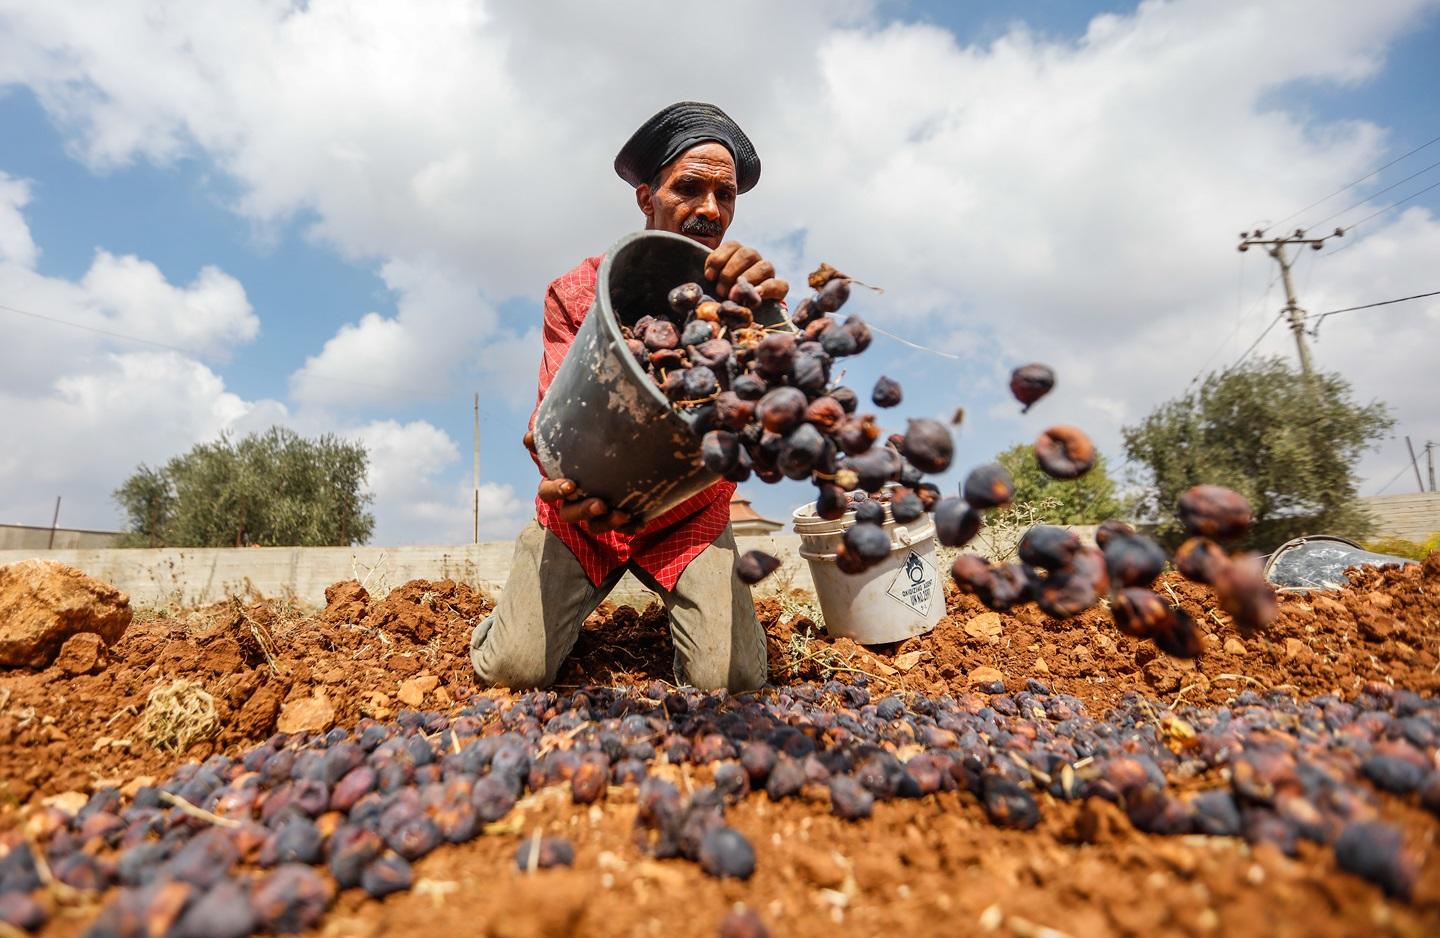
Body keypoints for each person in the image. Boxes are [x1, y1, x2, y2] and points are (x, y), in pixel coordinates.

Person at [470, 102, 787, 693]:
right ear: (646, 198)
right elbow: (554, 417)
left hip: (688, 515)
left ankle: (690, 623)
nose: (710, 209)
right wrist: (568, 471)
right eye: (689, 188)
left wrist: (771, 323)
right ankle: (505, 620)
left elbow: (776, 411)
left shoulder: (742, 303)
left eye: (727, 195)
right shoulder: (579, 291)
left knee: (732, 682)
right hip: (587, 514)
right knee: (513, 669)